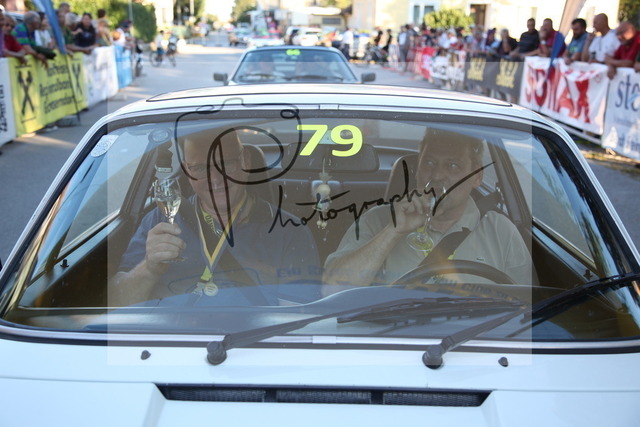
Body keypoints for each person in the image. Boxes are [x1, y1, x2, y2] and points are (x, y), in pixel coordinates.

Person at [110, 131, 321, 306]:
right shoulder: (160, 220)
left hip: (248, 341)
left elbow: (297, 318)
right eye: (201, 168)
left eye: (225, 164)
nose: (216, 179)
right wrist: (149, 269)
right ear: (187, 171)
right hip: (166, 340)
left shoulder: (288, 231)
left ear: (245, 161)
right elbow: (115, 304)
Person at [322, 128, 533, 293]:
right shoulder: (377, 220)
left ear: (477, 176)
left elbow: (527, 310)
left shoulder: (501, 231)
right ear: (417, 170)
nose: (437, 175)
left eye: (452, 166)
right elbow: (333, 290)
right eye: (429, 163)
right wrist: (393, 231)